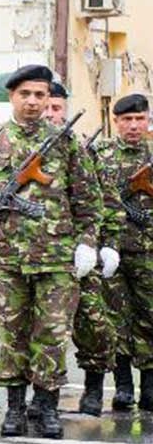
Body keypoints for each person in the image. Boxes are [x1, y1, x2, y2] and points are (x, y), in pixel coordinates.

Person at [0, 64, 101, 439]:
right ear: (12, 96)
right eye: (25, 94)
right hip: (6, 258)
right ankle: (15, 408)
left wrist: (86, 244)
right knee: (12, 335)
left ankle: (47, 406)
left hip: (56, 259)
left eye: (40, 95)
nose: (33, 101)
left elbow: (88, 201)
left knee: (52, 334)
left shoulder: (66, 144)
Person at [41, 82, 116, 417]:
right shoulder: (19, 149)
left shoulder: (83, 150)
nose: (49, 114)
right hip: (38, 256)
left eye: (56, 108)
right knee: (41, 329)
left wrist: (107, 245)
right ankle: (42, 396)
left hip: (79, 253)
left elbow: (106, 203)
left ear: (65, 111)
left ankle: (94, 387)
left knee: (92, 322)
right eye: (46, 107)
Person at [93, 93, 153, 413]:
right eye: (127, 119)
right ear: (115, 122)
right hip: (111, 251)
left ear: (148, 120)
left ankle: (150, 386)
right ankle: (123, 386)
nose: (133, 125)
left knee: (150, 316)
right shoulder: (100, 154)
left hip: (148, 251)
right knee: (115, 318)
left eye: (139, 119)